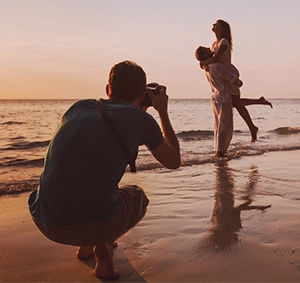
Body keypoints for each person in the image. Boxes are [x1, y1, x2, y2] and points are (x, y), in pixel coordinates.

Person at [28, 60, 181, 279]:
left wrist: (138, 108)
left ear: (108, 89)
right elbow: (174, 160)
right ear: (140, 96)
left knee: (88, 181)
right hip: (96, 225)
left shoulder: (78, 107)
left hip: (44, 220)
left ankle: (87, 246)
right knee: (137, 197)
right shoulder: (141, 120)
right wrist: (162, 112)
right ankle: (103, 252)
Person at [200, 19, 272, 142]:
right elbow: (209, 57)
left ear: (222, 29)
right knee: (232, 102)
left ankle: (252, 127)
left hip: (229, 73)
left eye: (216, 24)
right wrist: (202, 64)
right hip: (223, 75)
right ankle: (259, 103)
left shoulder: (224, 42)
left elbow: (216, 58)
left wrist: (202, 63)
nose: (213, 25)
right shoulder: (214, 44)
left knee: (236, 103)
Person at [195, 46, 242, 157]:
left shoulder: (207, 67)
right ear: (205, 55)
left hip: (215, 98)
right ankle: (220, 152)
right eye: (207, 50)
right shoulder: (217, 66)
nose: (209, 49)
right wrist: (239, 82)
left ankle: (219, 150)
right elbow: (231, 78)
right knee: (225, 127)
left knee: (218, 126)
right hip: (223, 97)